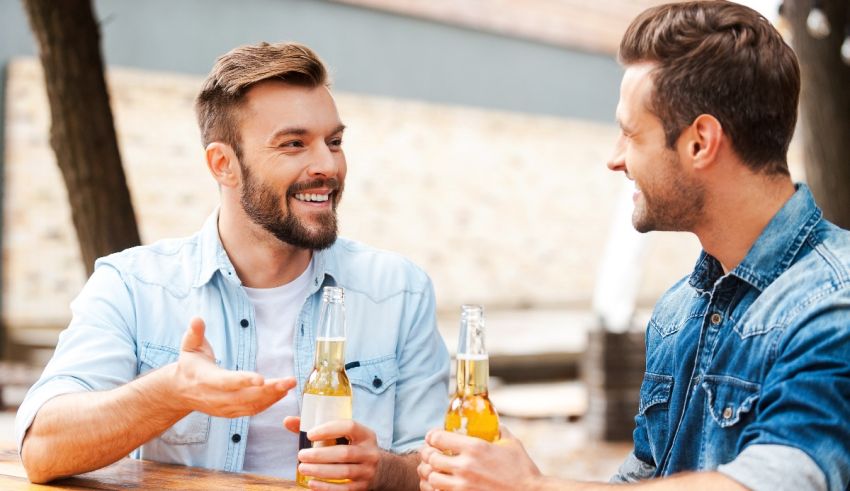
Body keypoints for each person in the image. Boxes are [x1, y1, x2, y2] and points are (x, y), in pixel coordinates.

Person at [419, 2, 850, 490]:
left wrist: (531, 489)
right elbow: (642, 479)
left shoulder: (833, 304)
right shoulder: (677, 312)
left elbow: (784, 480)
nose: (615, 159)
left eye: (629, 133)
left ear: (700, 142)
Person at [16, 41, 449, 490]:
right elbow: (43, 450)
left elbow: (444, 470)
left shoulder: (399, 291)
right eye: (294, 144)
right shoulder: (132, 285)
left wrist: (381, 470)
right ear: (223, 164)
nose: (328, 165)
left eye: (334, 142)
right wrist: (172, 390)